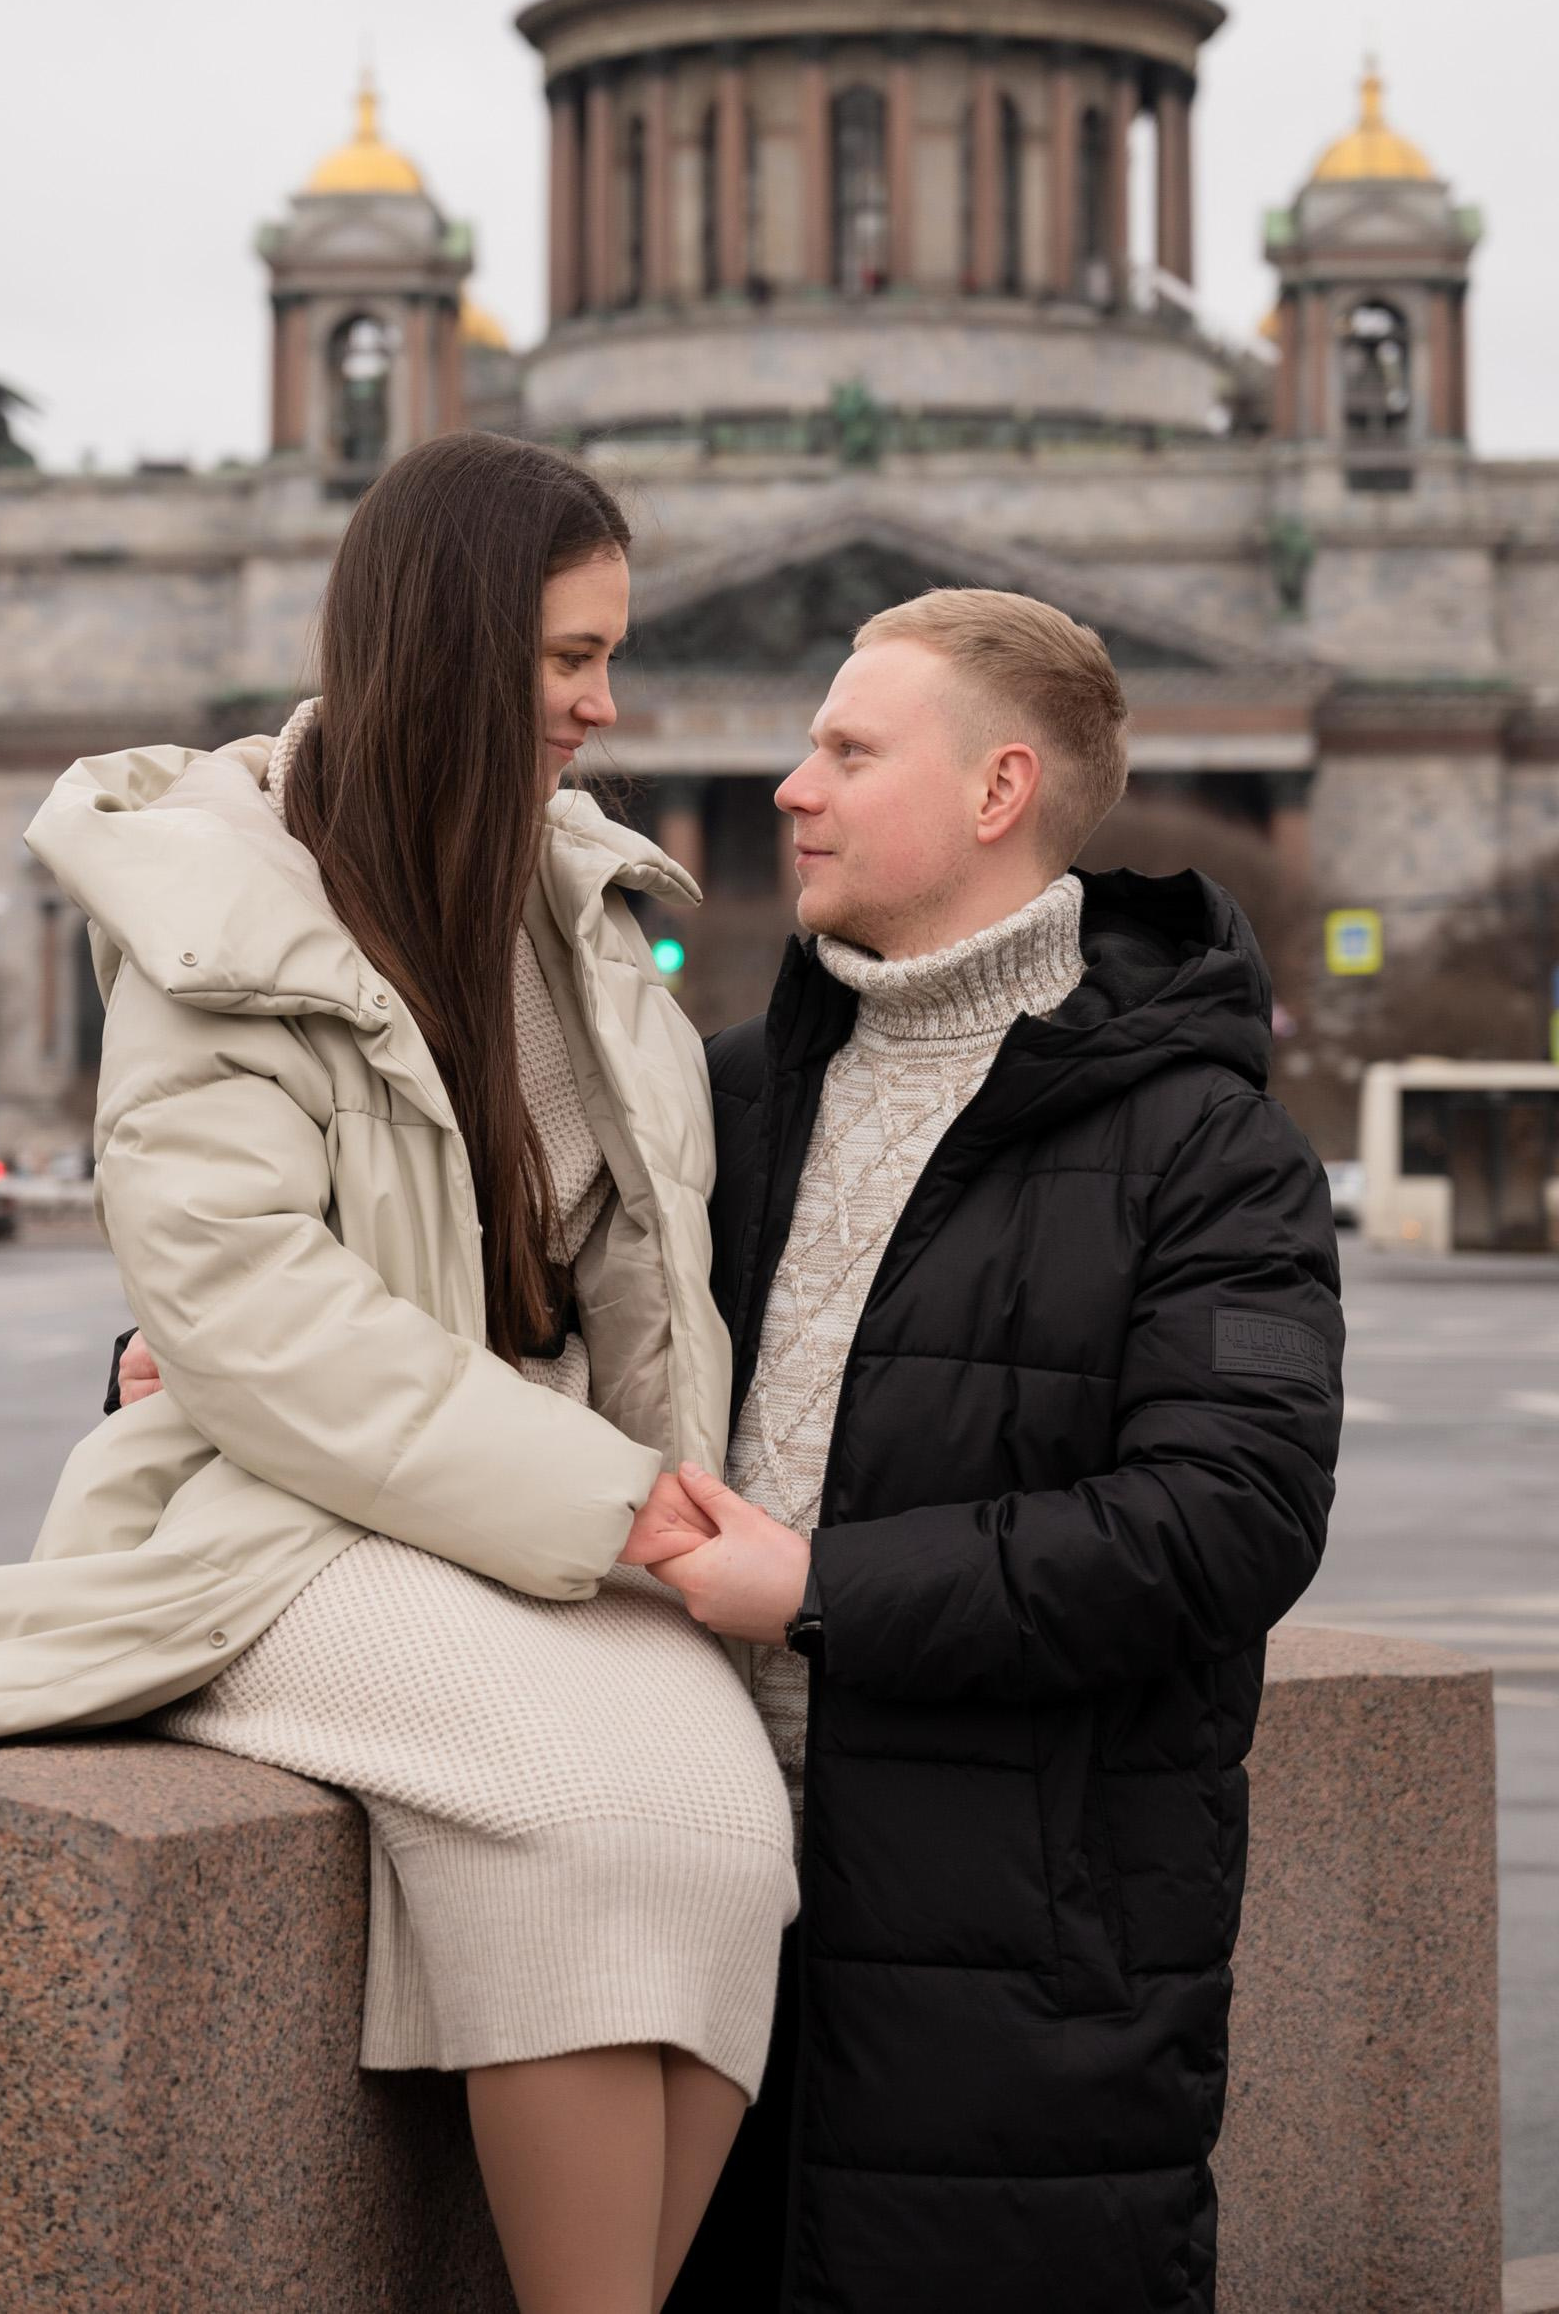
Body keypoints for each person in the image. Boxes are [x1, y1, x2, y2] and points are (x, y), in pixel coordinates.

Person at [0, 432, 795, 2314]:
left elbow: (642, 1265)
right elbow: (252, 1309)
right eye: (569, 658)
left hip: (535, 1508)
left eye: (609, 656)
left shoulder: (578, 907)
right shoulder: (220, 899)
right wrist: (618, 1508)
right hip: (291, 1517)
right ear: (450, 647)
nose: (607, 706)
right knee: (595, 1817)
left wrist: (655, 1488)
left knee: (732, 1835)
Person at [646, 587, 1344, 2314]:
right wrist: (184, 1369)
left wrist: (822, 1588)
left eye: (847, 750)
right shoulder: (720, 1097)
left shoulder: (1212, 1149)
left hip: (1018, 1980)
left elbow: (1229, 1517)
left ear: (998, 790)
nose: (791, 786)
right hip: (687, 1920)